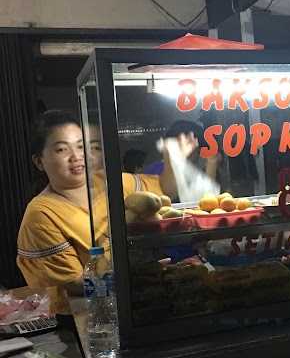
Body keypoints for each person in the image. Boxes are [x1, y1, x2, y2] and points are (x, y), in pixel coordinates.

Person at [17, 110, 175, 315]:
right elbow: (76, 284)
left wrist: (174, 157)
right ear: (39, 161)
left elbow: (165, 192)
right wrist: (135, 278)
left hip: (143, 303)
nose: (76, 157)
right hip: (88, 318)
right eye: (61, 150)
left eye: (81, 146)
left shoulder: (111, 182)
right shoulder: (41, 214)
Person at [144, 119, 219, 200]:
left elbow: (207, 201)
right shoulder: (155, 170)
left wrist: (211, 166)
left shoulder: (197, 169)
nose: (199, 152)